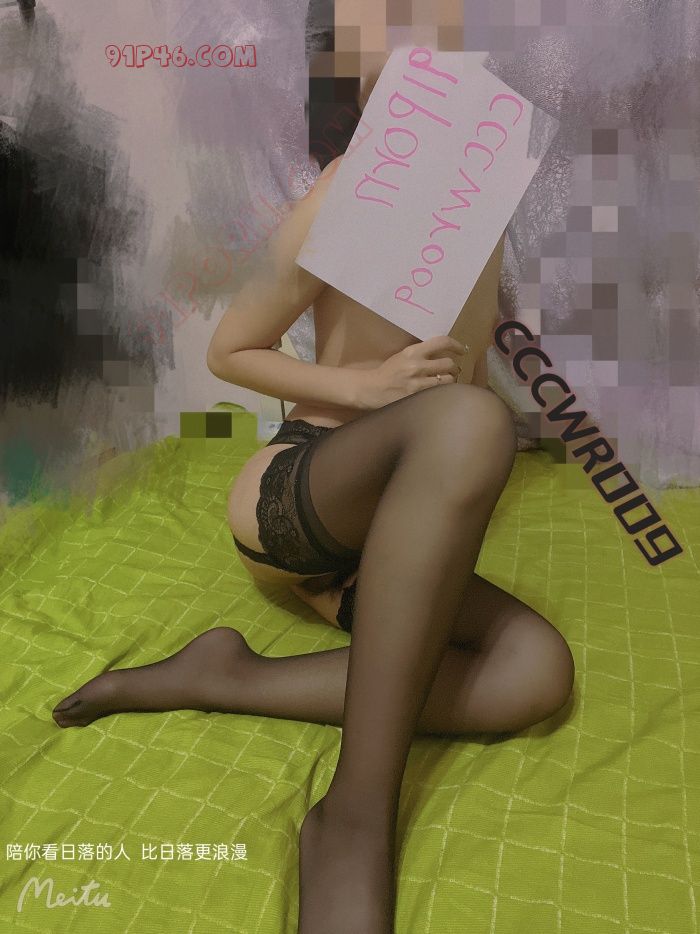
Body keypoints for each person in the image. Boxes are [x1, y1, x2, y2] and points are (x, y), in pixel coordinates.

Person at [52, 64, 575, 934]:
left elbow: (463, 382)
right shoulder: (348, 191)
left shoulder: (482, 218)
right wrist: (365, 388)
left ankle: (228, 676)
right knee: (474, 421)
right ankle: (354, 817)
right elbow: (231, 349)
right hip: (303, 493)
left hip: (380, 536)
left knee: (537, 671)